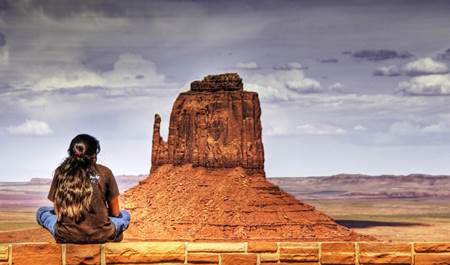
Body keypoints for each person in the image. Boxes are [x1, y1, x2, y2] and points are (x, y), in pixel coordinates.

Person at [36, 134, 130, 243]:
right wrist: (100, 212)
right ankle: (113, 234)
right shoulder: (105, 172)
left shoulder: (61, 172)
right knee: (125, 215)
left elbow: (58, 210)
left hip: (66, 235)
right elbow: (116, 213)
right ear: (94, 155)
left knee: (42, 211)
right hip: (102, 234)